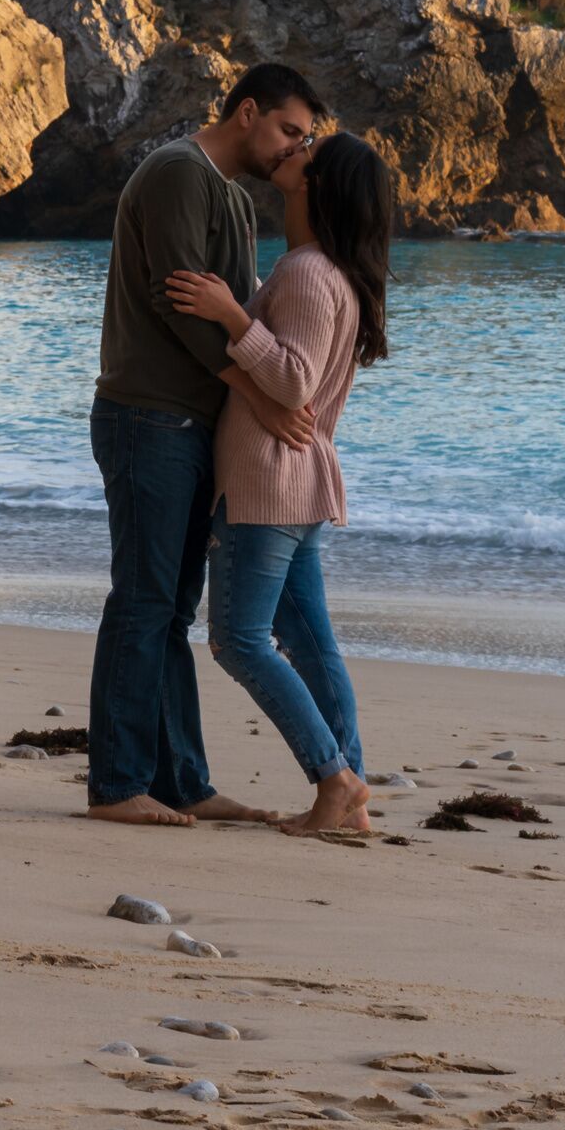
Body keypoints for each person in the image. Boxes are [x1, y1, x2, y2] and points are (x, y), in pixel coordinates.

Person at [84, 61, 328, 828]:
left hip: (189, 425)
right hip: (147, 417)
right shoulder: (177, 174)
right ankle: (118, 783)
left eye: (307, 139)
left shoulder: (227, 194)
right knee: (144, 601)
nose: (295, 149)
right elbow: (185, 311)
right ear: (247, 110)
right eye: (289, 130)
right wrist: (261, 394)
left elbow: (234, 311)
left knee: (172, 607)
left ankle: (183, 779)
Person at [163, 129, 396, 837]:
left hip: (268, 481)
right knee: (310, 641)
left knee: (238, 638)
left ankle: (334, 778)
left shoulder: (305, 272)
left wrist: (233, 314)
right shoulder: (332, 273)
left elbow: (292, 379)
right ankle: (347, 793)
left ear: (315, 184)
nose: (290, 149)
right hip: (300, 484)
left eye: (304, 152)